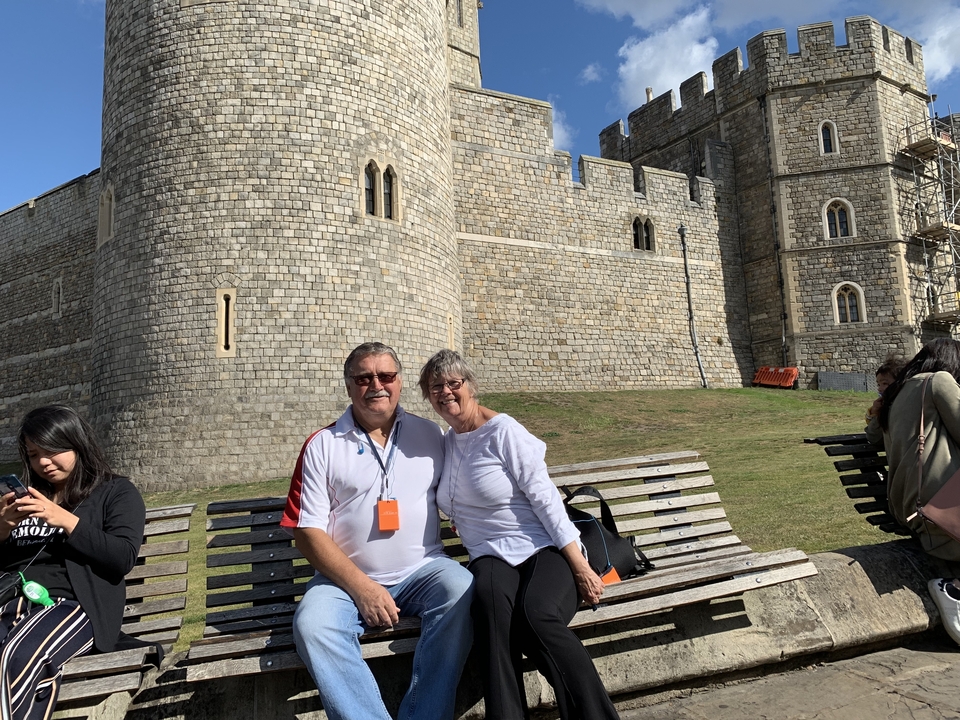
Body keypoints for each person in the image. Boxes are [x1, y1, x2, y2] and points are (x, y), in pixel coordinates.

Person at [419, 349, 620, 720]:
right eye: (435, 387)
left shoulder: (504, 431)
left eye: (453, 383)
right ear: (427, 395)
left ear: (471, 386)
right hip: (489, 555)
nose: (445, 392)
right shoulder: (446, 442)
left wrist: (578, 564)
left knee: (534, 615)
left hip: (543, 547)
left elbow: (545, 499)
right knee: (489, 611)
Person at [281, 342, 474, 720]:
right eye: (364, 378)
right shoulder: (323, 445)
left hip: (423, 569)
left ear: (400, 383)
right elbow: (306, 532)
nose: (377, 385)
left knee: (462, 592)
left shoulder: (430, 435)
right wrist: (363, 588)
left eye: (386, 376)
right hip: (343, 581)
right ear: (349, 385)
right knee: (312, 626)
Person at [1, 405, 146, 720]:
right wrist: (2, 530)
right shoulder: (24, 499)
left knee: (18, 656)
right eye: (34, 454)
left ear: (77, 443)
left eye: (52, 451)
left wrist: (65, 520)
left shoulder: (115, 492)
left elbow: (122, 557)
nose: (43, 462)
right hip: (10, 606)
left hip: (71, 607)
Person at [877, 339, 960, 646]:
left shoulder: (896, 392)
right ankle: (954, 589)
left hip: (913, 507)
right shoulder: (939, 381)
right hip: (941, 510)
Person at [864, 355, 904, 446]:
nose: (880, 389)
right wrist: (874, 412)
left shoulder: (894, 406)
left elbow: (874, 438)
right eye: (878, 384)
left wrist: (879, 414)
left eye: (885, 383)